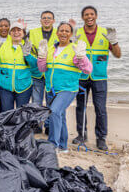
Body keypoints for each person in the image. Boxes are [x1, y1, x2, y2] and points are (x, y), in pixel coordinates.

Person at [36, 22, 92, 152]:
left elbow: (88, 70)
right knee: (60, 115)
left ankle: (52, 145)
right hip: (51, 89)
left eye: (67, 31)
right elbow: (42, 68)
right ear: (57, 32)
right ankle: (63, 146)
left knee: (54, 112)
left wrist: (81, 58)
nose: (64, 33)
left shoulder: (74, 49)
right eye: (61, 30)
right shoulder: (50, 49)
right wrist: (41, 57)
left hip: (67, 89)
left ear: (71, 34)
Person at [72, 6, 121, 151]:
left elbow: (118, 55)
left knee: (100, 109)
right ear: (82, 18)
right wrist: (71, 42)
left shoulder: (105, 33)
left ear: (96, 16)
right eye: (86, 15)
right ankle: (82, 135)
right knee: (81, 107)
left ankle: (101, 138)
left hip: (99, 77)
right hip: (81, 76)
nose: (89, 17)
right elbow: (69, 54)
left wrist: (114, 42)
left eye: (91, 14)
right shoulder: (77, 33)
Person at [0, 21, 36, 113]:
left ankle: (21, 128)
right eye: (13, 30)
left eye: (19, 30)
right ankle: (5, 128)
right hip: (5, 85)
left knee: (21, 113)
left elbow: (35, 66)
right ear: (10, 33)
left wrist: (28, 55)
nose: (16, 33)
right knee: (6, 113)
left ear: (24, 33)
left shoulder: (29, 46)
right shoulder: (2, 46)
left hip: (24, 86)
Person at [28, 11, 58, 110]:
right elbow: (27, 49)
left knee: (52, 103)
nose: (46, 20)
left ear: (53, 21)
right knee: (36, 104)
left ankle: (49, 125)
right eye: (44, 18)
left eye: (49, 18)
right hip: (36, 73)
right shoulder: (32, 32)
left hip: (52, 74)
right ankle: (36, 125)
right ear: (40, 20)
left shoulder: (59, 33)